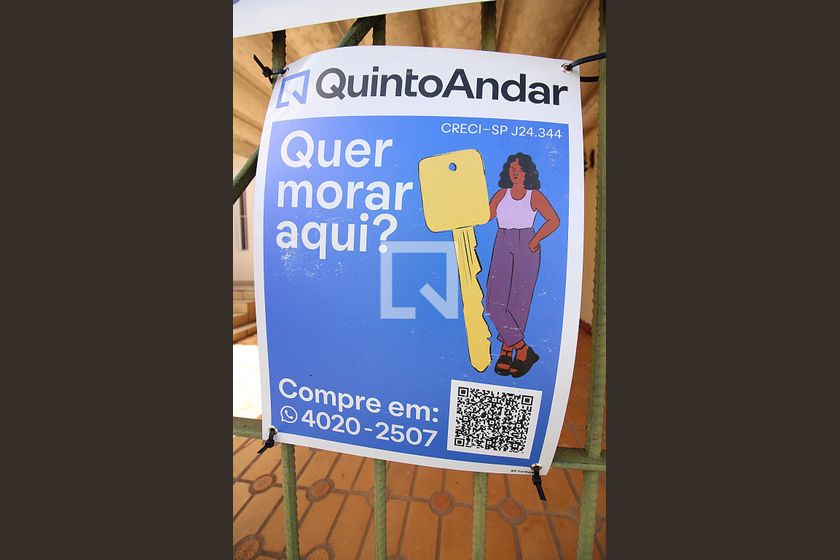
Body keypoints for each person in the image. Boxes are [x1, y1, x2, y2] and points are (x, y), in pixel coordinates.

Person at [485, 153, 560, 378]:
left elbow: (554, 220)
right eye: (512, 169)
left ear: (527, 172)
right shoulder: (501, 194)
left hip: (526, 244)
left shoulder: (533, 195)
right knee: (494, 302)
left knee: (519, 302)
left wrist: (535, 240)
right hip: (502, 242)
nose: (515, 172)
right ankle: (523, 349)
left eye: (519, 169)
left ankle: (506, 350)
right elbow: (486, 216)